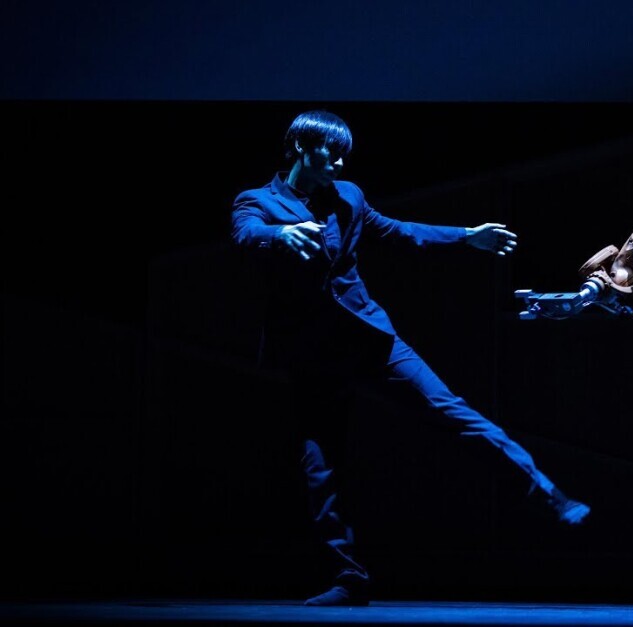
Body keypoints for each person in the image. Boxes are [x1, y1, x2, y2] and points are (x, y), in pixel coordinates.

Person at [230, 110, 590, 607]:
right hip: (315, 356)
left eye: (344, 155)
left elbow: (396, 230)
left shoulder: (349, 196)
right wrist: (278, 235)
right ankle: (349, 577)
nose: (339, 162)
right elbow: (246, 233)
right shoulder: (257, 201)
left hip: (372, 340)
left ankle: (546, 492)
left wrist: (465, 236)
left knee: (452, 410)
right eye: (330, 152)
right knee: (320, 466)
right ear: (298, 148)